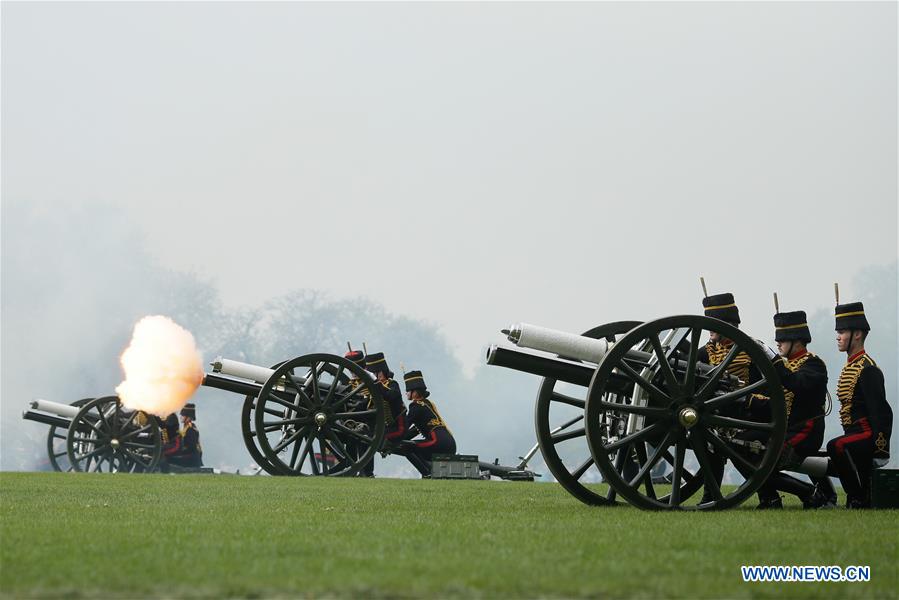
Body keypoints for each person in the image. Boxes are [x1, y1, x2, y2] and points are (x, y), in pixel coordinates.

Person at [752, 310, 835, 509]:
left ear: (796, 341)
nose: (778, 343)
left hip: (804, 431)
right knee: (743, 448)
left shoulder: (814, 364)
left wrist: (777, 363)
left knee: (764, 463)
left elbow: (797, 383)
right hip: (784, 430)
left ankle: (810, 493)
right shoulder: (786, 365)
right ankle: (771, 498)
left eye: (783, 339)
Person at [826, 301, 892, 508]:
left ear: (857, 334)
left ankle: (857, 497)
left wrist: (881, 448)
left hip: (866, 433)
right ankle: (856, 495)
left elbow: (881, 412)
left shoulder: (868, 368)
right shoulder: (851, 366)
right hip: (852, 432)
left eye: (842, 331)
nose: (838, 336)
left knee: (835, 445)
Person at [696, 291, 756, 503]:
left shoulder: (751, 351)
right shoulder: (704, 352)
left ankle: (770, 495)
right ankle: (710, 495)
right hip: (715, 414)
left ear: (727, 324)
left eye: (715, 324)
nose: (710, 329)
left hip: (747, 415)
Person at [359, 352, 407, 476]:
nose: (375, 376)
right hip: (382, 428)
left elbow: (391, 395)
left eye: (377, 373)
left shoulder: (392, 384)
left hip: (397, 428)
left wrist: (376, 383)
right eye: (373, 374)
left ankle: (368, 473)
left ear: (383, 372)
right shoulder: (374, 389)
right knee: (362, 438)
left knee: (370, 440)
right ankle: (364, 472)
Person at [402, 370, 456, 477]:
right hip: (449, 443)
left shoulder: (415, 406)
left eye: (408, 391)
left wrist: (392, 436)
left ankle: (427, 474)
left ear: (415, 392)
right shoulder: (428, 404)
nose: (406, 393)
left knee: (406, 448)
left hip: (438, 443)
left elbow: (404, 426)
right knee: (413, 446)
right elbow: (416, 430)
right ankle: (429, 472)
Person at [168, 403, 203, 468]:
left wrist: (178, 452)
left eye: (183, 415)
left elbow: (191, 447)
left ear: (188, 417)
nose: (181, 417)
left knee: (168, 459)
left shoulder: (190, 429)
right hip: (190, 457)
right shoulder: (186, 428)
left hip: (191, 459)